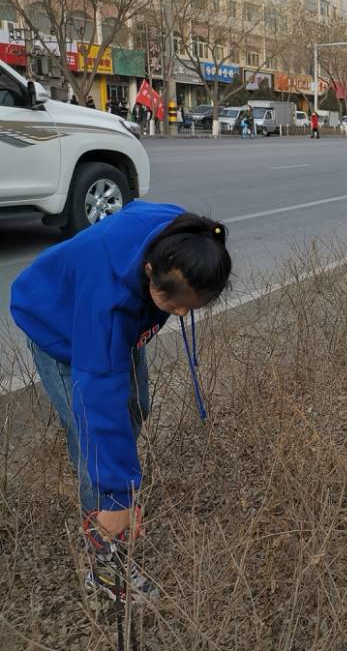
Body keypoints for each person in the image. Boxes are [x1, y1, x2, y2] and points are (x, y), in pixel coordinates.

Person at [10, 202, 232, 603]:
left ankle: (110, 486)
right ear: (149, 271)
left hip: (111, 317)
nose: (182, 312)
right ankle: (104, 561)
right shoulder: (108, 303)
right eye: (174, 303)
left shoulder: (186, 235)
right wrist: (116, 496)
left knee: (135, 409)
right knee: (92, 435)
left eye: (192, 304)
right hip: (59, 325)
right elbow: (99, 398)